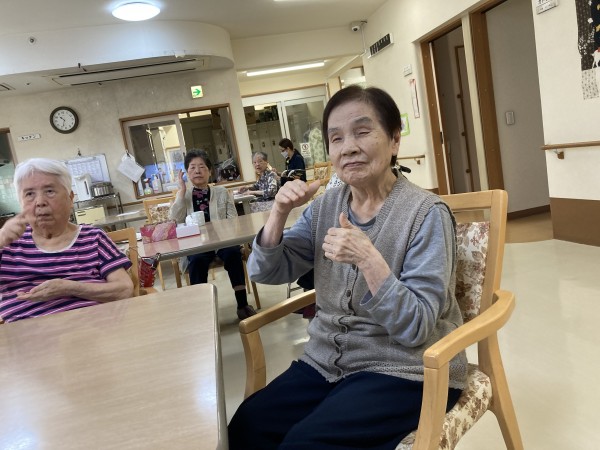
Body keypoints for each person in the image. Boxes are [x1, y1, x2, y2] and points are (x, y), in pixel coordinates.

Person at [228, 85, 467, 449]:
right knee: (247, 426)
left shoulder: (426, 214)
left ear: (395, 140)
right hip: (326, 364)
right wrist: (278, 212)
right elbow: (267, 272)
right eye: (336, 138)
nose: (349, 147)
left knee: (305, 444)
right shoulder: (325, 206)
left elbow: (417, 327)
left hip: (406, 369)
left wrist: (369, 259)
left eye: (362, 131)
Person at [0, 158, 133, 323]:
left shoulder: (93, 238)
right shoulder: (7, 243)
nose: (40, 202)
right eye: (29, 194)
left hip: (91, 330)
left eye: (49, 191)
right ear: (20, 203)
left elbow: (124, 290)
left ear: (70, 198)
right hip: (26, 334)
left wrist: (70, 288)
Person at [168, 149, 257, 320]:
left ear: (210, 171)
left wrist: (226, 234)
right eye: (192, 167)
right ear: (186, 173)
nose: (197, 171)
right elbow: (173, 221)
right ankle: (203, 311)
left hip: (222, 241)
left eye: (202, 167)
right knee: (196, 261)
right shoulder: (184, 195)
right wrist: (181, 192)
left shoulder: (221, 192)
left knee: (233, 253)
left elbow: (234, 220)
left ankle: (242, 304)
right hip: (197, 245)